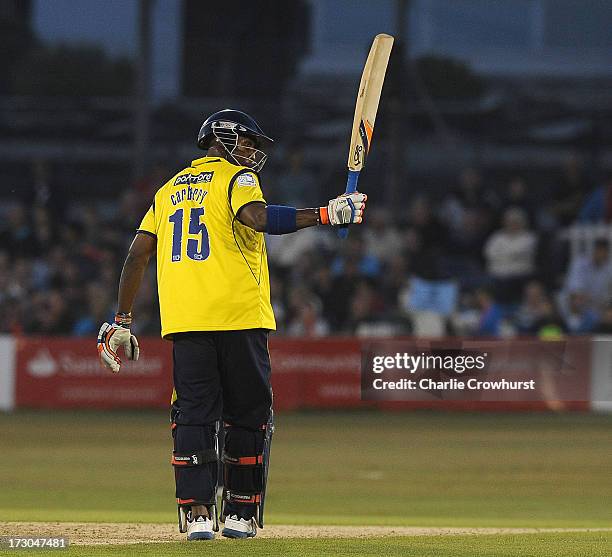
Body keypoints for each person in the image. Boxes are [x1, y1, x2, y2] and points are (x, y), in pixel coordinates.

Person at [95, 109, 366, 541]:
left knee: (193, 415)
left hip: (186, 322)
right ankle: (240, 512)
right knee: (248, 415)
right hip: (239, 317)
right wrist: (326, 214)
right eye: (249, 142)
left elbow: (137, 255)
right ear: (224, 139)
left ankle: (198, 513)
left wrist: (121, 320)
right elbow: (256, 217)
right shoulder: (237, 179)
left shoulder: (166, 193)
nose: (254, 151)